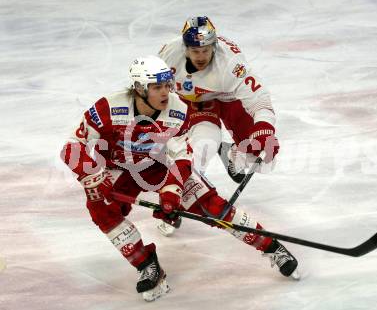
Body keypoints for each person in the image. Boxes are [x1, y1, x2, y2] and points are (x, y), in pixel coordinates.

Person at [60, 56, 299, 302]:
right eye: (157, 87)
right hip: (119, 167)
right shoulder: (107, 108)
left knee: (213, 207)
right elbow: (71, 146)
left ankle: (271, 246)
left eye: (167, 85)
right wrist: (92, 174)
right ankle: (147, 265)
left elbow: (182, 157)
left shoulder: (178, 109)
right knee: (99, 205)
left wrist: (171, 193)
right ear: (140, 89)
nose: (165, 92)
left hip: (161, 166)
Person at [158, 16, 280, 179]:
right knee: (204, 145)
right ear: (185, 48)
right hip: (192, 101)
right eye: (195, 51)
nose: (201, 57)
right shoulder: (168, 55)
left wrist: (264, 128)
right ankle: (188, 185)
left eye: (205, 50)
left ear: (214, 47)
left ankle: (230, 152)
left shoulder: (231, 63)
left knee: (261, 159)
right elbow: (150, 91)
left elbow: (259, 98)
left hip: (230, 99)